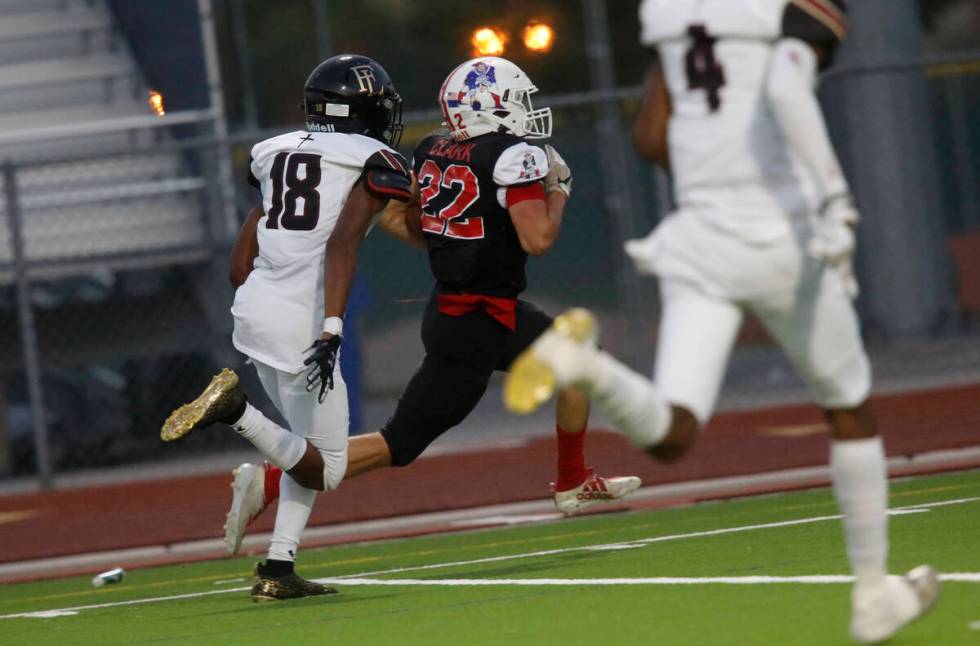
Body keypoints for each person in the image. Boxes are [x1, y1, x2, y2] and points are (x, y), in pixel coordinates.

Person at [503, 1, 940, 644]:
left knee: (673, 432)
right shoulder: (788, 10)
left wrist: (716, 168)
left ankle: (587, 365)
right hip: (781, 235)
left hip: (701, 237)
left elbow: (651, 137)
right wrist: (834, 199)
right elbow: (790, 87)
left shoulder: (668, 14)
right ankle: (873, 591)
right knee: (849, 409)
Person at [164, 56, 641, 583]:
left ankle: (572, 481)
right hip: (471, 324)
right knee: (396, 444)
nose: (526, 112)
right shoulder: (508, 156)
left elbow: (412, 225)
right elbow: (538, 239)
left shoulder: (432, 150)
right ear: (492, 105)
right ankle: (269, 479)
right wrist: (558, 189)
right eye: (517, 100)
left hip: (475, 310)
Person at [161, 53, 418, 601]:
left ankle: (278, 569)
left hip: (255, 309)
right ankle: (236, 412)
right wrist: (331, 329)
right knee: (328, 468)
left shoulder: (274, 152)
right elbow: (341, 243)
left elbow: (238, 264)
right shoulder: (374, 158)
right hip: (302, 320)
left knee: (306, 449)